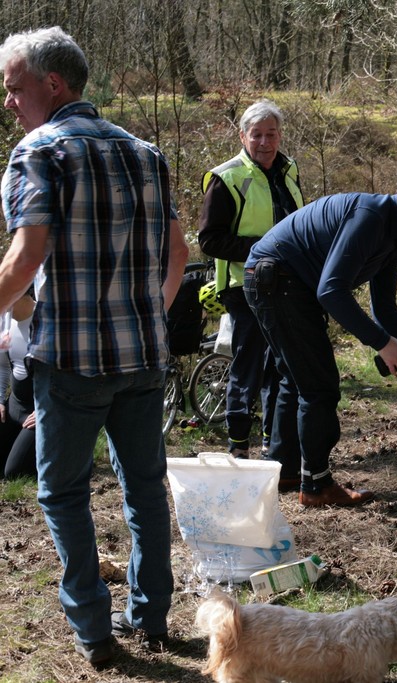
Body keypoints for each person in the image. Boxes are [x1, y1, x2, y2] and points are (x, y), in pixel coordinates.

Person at [0, 26, 189, 667]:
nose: (9, 102)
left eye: (16, 88)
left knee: (62, 495)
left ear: (53, 85)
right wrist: (146, 320)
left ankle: (94, 631)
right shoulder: (146, 153)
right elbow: (177, 254)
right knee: (144, 488)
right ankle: (152, 616)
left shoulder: (39, 152)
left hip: (73, 365)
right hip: (143, 359)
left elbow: (26, 258)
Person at [244, 166, 397, 507]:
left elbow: (385, 309)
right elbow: (331, 292)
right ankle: (316, 486)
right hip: (275, 279)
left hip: (284, 282)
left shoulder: (392, 236)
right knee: (319, 385)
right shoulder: (371, 216)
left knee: (298, 378)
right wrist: (382, 343)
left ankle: (285, 470)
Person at [198, 99, 303, 459]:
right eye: (256, 135)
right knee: (248, 362)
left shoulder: (289, 170)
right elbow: (210, 240)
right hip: (244, 287)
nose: (264, 142)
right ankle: (237, 444)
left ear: (280, 135)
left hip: (286, 285)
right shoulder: (226, 177)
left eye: (270, 134)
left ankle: (272, 443)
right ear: (242, 136)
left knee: (280, 363)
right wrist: (265, 248)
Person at [0, 291, 36, 479]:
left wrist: (45, 410)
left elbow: (67, 373)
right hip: (14, 405)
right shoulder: (4, 322)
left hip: (41, 413)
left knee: (14, 472)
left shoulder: (47, 321)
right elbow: (3, 367)